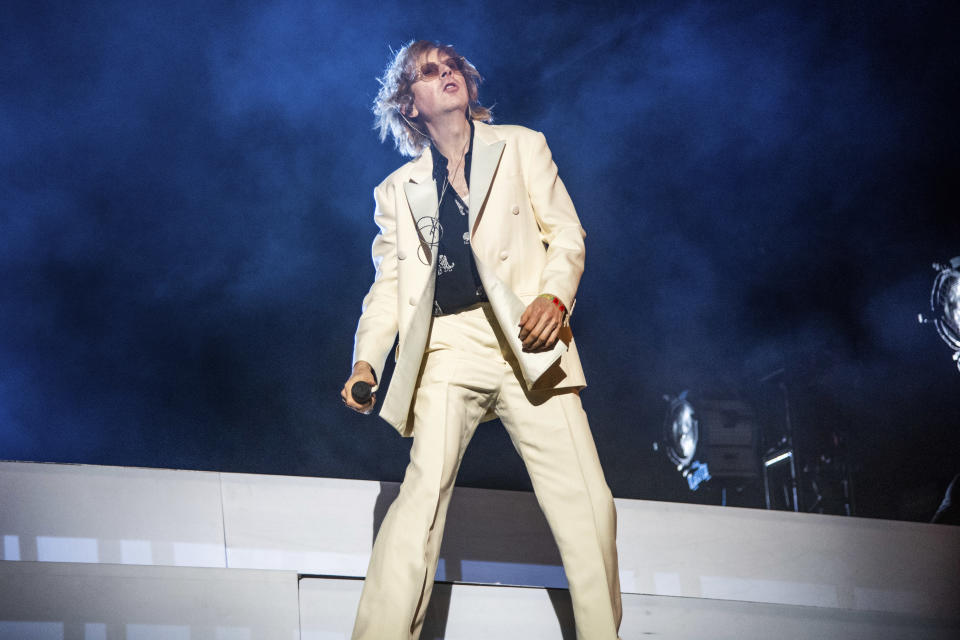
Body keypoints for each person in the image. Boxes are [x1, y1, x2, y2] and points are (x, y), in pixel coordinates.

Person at [340, 39, 623, 640]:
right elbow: (388, 287)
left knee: (588, 503)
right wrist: (367, 361)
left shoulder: (522, 146)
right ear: (409, 106)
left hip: (529, 335)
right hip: (449, 343)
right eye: (426, 72)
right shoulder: (397, 190)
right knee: (420, 500)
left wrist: (553, 295)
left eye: (450, 65)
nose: (444, 74)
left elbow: (566, 234)